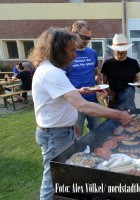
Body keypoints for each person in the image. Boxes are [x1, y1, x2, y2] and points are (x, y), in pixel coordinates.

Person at [28, 27, 132, 200]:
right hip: (56, 134)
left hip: (60, 131)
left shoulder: (48, 69)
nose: (74, 55)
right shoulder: (52, 73)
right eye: (71, 50)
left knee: (64, 174)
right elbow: (84, 107)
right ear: (57, 50)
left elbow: (57, 97)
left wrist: (76, 91)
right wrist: (119, 115)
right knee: (52, 177)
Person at [66, 20, 102, 138]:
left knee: (97, 133)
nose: (86, 40)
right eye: (83, 37)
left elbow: (96, 74)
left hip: (92, 101)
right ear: (73, 33)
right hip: (75, 104)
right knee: (76, 137)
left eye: (89, 38)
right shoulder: (67, 55)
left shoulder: (92, 53)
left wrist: (100, 87)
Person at [101, 33, 140, 111]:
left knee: (133, 122)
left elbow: (138, 79)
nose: (120, 51)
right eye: (118, 49)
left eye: (123, 49)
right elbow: (104, 85)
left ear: (126, 49)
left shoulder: (133, 62)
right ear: (113, 50)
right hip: (113, 103)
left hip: (130, 103)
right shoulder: (107, 64)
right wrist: (106, 103)